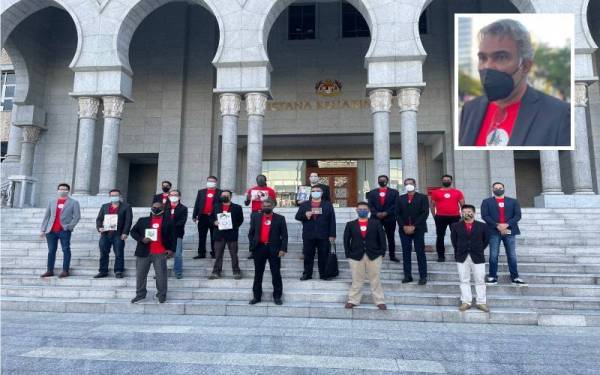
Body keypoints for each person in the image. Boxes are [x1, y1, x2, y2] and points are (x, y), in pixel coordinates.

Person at [459, 19, 570, 147]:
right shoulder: (469, 110)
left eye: (501, 57)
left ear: (525, 66)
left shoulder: (559, 115)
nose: (488, 66)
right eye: (482, 58)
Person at [343, 202, 387, 310]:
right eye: (360, 209)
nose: (362, 210)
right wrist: (348, 254)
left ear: (368, 211)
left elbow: (382, 238)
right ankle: (353, 300)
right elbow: (346, 240)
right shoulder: (350, 224)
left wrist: (382, 252)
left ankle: (379, 301)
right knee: (356, 279)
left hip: (374, 255)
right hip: (356, 256)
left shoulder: (376, 223)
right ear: (356, 210)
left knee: (375, 279)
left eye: (365, 209)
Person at [130, 202, 176, 304]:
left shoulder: (169, 222)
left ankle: (161, 295)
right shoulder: (143, 220)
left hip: (160, 253)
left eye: (159, 208)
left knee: (161, 275)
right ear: (151, 208)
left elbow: (173, 237)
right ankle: (140, 294)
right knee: (141, 275)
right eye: (154, 207)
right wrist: (142, 239)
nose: (156, 209)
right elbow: (133, 232)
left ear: (163, 209)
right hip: (144, 252)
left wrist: (171, 249)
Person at [481, 182, 526, 286]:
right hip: (493, 231)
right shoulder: (486, 201)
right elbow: (485, 216)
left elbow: (517, 215)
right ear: (492, 189)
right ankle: (492, 276)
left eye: (500, 188)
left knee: (511, 255)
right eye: (496, 188)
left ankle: (515, 277)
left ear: (504, 188)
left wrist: (506, 224)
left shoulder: (513, 201)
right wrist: (497, 225)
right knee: (493, 255)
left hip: (509, 230)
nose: (498, 189)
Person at [247, 198, 287, 305]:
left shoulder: (280, 218)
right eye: (264, 206)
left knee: (276, 273)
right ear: (261, 206)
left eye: (268, 206)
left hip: (274, 249)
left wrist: (283, 249)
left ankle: (277, 296)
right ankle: (256, 296)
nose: (266, 208)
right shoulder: (255, 217)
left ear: (273, 206)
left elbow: (285, 236)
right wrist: (252, 245)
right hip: (259, 248)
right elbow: (251, 233)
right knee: (258, 274)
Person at [450, 205, 490, 312]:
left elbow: (486, 240)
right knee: (464, 280)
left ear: (474, 213)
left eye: (469, 211)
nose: (467, 213)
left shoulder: (483, 226)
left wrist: (478, 249)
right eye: (464, 211)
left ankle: (481, 302)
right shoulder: (455, 226)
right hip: (462, 256)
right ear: (461, 213)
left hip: (477, 255)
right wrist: (460, 250)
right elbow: (454, 241)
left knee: (480, 280)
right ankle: (466, 302)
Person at [39, 183, 81, 278]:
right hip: (51, 231)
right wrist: (43, 230)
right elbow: (47, 216)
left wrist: (69, 227)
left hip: (64, 230)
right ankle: (50, 270)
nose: (62, 191)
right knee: (51, 251)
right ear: (57, 190)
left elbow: (77, 217)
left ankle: (65, 270)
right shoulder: (52, 202)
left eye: (65, 189)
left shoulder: (74, 202)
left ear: (68, 191)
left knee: (66, 250)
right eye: (61, 189)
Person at [295, 185, 336, 281]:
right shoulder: (304, 204)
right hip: (309, 234)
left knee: (323, 255)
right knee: (308, 255)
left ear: (322, 193)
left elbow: (332, 220)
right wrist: (305, 215)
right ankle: (307, 274)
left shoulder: (328, 204)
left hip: (324, 234)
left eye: (318, 190)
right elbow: (297, 216)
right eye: (313, 191)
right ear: (310, 193)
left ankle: (324, 274)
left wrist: (332, 234)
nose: (315, 192)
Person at [396, 178, 429, 285]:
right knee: (406, 253)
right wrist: (404, 226)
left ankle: (423, 276)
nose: (408, 185)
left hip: (418, 229)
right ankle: (407, 276)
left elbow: (425, 213)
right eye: (406, 184)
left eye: (411, 183)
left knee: (420, 252)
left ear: (415, 184)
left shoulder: (423, 197)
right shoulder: (400, 199)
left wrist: (414, 226)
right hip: (404, 229)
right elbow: (397, 214)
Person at [94, 189, 133, 279]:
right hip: (105, 234)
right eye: (112, 195)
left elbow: (128, 221)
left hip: (118, 234)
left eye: (116, 195)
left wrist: (125, 233)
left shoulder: (126, 207)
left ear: (120, 196)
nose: (114, 196)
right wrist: (99, 228)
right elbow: (99, 219)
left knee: (119, 253)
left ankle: (118, 271)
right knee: (103, 252)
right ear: (110, 196)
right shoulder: (104, 206)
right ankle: (103, 271)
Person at [209, 190, 244, 280]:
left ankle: (236, 271)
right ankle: (216, 272)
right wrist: (214, 222)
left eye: (226, 195)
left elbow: (240, 220)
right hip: (219, 234)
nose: (224, 196)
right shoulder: (216, 206)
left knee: (234, 254)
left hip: (231, 234)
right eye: (222, 195)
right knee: (218, 255)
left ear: (230, 197)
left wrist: (232, 226)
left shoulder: (237, 207)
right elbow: (211, 218)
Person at [430, 174, 465, 262]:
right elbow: (432, 205)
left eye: (448, 180)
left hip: (455, 217)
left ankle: (458, 256)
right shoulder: (435, 192)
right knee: (440, 236)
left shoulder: (457, 192)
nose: (446, 181)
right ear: (442, 181)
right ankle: (441, 256)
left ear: (451, 181)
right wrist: (435, 216)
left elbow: (463, 205)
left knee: (456, 236)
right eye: (444, 180)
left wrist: (464, 217)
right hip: (440, 217)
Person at [367, 174, 399, 262]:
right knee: (375, 236)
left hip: (390, 218)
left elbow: (395, 205)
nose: (381, 181)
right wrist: (376, 213)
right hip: (375, 218)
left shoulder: (394, 192)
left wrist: (386, 212)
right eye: (380, 180)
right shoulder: (372, 192)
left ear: (387, 181)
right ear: (378, 181)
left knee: (390, 237)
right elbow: (370, 205)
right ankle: (377, 254)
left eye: (383, 180)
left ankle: (392, 256)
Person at [192, 176, 222, 259]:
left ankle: (214, 253)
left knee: (214, 236)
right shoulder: (201, 192)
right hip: (202, 217)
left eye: (212, 181)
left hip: (214, 217)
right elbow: (197, 204)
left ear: (216, 183)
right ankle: (201, 253)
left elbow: (222, 205)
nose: (210, 182)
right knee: (202, 236)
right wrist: (194, 215)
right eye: (209, 181)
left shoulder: (220, 192)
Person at [168, 190, 188, 279]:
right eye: (172, 195)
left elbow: (182, 221)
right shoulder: (164, 207)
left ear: (179, 197)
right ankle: (160, 272)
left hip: (177, 233)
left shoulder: (183, 208)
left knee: (178, 254)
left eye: (175, 195)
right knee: (161, 254)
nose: (173, 196)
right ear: (168, 196)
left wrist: (169, 225)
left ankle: (178, 271)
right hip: (165, 234)